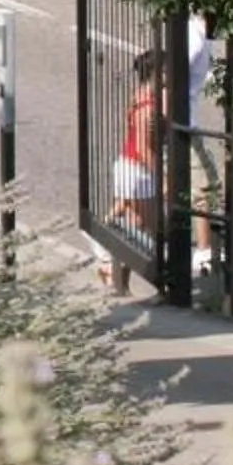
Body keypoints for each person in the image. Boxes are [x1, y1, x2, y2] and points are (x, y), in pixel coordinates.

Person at [102, 48, 164, 288]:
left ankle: (117, 277)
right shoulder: (147, 106)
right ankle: (162, 284)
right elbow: (142, 147)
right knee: (152, 228)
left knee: (133, 224)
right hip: (137, 170)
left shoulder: (140, 96)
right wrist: (161, 176)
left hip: (132, 169)